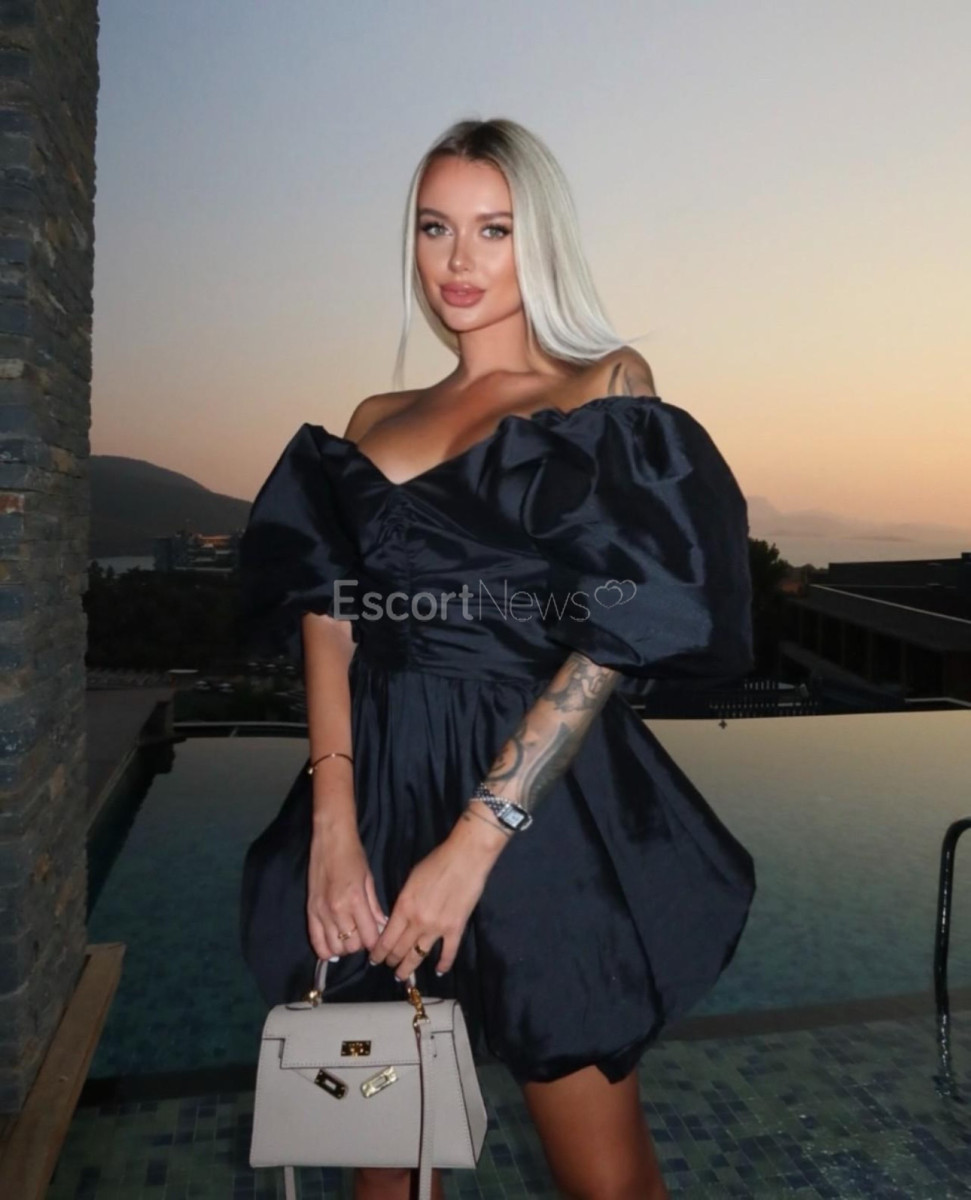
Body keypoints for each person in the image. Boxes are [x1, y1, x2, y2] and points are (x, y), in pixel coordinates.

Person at [239, 117, 756, 1200]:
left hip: (537, 807)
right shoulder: (376, 415)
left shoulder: (603, 384)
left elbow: (614, 630)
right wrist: (334, 820)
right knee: (385, 1161)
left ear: (541, 240)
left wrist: (477, 844)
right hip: (379, 789)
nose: (457, 260)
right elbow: (331, 615)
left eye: (493, 229)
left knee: (601, 1175)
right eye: (434, 228)